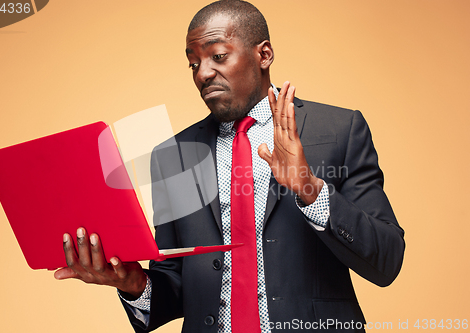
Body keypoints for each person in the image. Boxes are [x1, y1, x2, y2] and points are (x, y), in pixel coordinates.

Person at [54, 1, 405, 332]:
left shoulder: (339, 130)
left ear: (263, 54)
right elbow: (176, 282)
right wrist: (133, 284)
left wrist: (310, 189)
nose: (203, 73)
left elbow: (387, 259)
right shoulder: (174, 155)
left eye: (218, 56)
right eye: (194, 63)